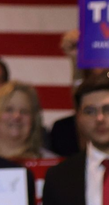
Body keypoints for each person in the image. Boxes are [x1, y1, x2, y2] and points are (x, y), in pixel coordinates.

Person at [43, 73, 109, 205]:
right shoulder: (58, 177)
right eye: (90, 111)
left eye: (107, 109)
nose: (99, 118)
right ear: (78, 118)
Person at [0, 81, 57, 160]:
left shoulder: (52, 164)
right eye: (9, 110)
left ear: (34, 120)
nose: (17, 116)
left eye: (24, 111)